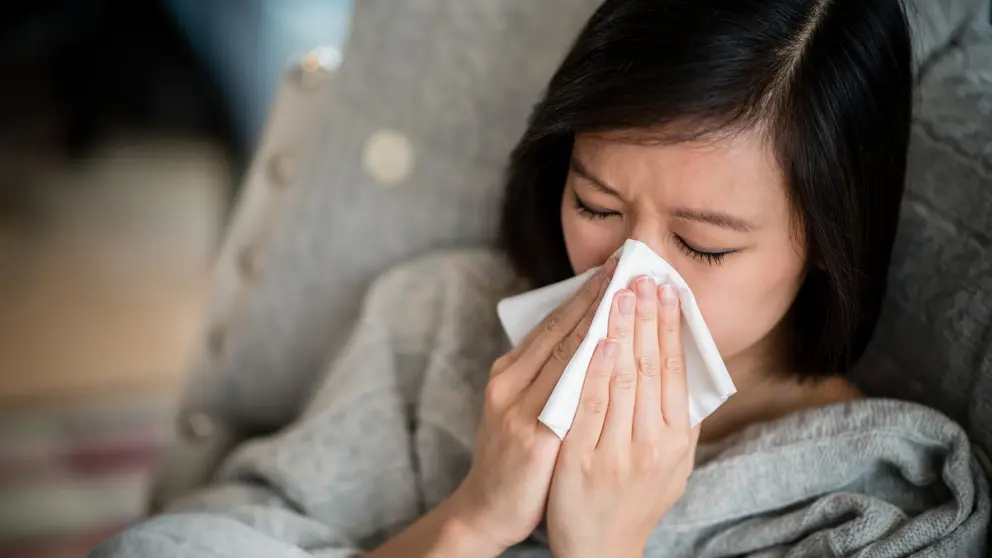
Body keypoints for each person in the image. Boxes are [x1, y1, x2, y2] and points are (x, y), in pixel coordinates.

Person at [91, 0, 990, 556]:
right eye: (596, 204)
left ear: (829, 244)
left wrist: (604, 545)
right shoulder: (437, 320)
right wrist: (473, 518)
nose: (629, 275)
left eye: (705, 246)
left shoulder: (889, 492)